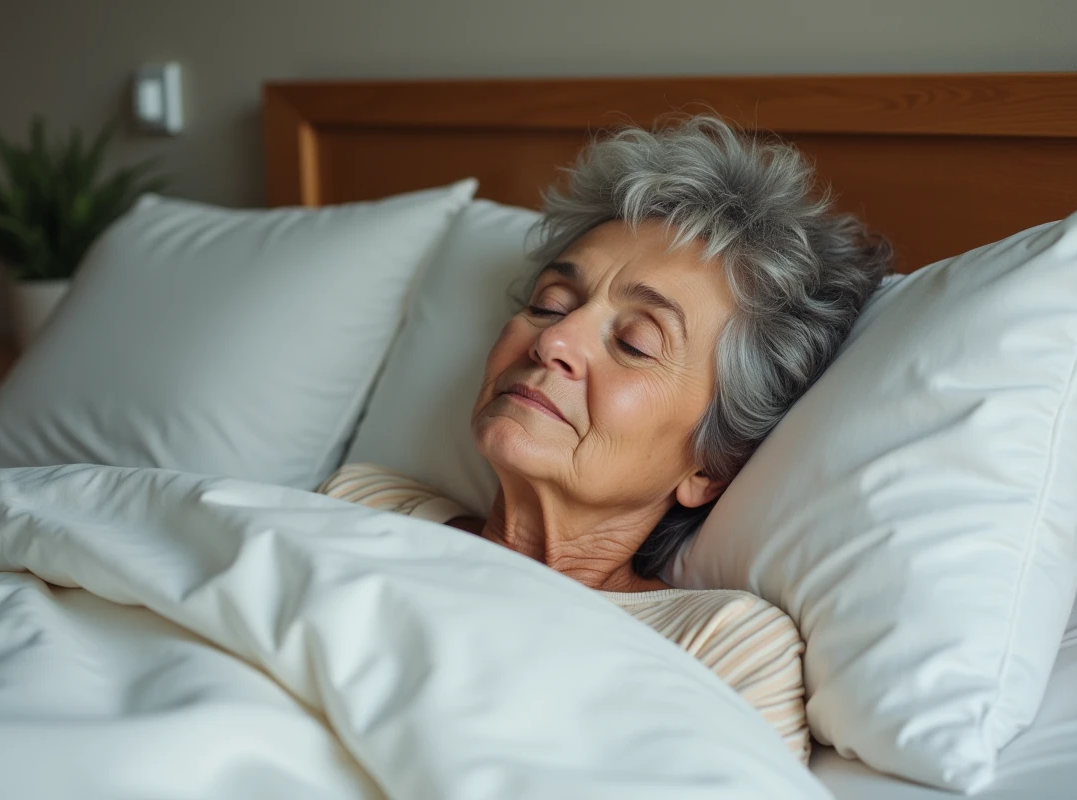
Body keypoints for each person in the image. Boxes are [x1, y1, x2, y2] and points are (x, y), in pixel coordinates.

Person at [320, 115, 892, 762]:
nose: (553, 341)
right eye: (550, 304)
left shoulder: (719, 647)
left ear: (710, 465)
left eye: (635, 342)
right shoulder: (367, 503)